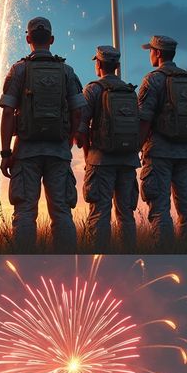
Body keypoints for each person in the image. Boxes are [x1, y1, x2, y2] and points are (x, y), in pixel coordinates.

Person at [0, 15, 86, 250]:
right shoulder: (67, 71)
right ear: (52, 39)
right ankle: (67, 264)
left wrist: (5, 152)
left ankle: (25, 262)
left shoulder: (19, 70)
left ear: (28, 38)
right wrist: (67, 142)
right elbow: (78, 111)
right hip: (58, 150)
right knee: (61, 210)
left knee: (25, 211)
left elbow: (8, 112)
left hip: (26, 151)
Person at [137, 34, 187, 246]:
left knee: (159, 208)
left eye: (150, 51)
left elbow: (144, 118)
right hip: (186, 154)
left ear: (157, 53)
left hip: (159, 152)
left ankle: (163, 253)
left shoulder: (153, 79)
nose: (150, 54)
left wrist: (137, 147)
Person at [77, 44, 140, 250]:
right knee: (126, 214)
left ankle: (99, 258)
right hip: (128, 160)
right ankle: (129, 257)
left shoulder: (93, 89)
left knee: (100, 212)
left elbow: (82, 128)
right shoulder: (130, 91)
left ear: (99, 65)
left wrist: (88, 158)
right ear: (117, 65)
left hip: (100, 160)